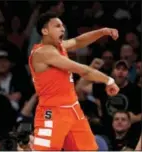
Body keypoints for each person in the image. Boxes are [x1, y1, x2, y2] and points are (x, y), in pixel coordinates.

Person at [29, 12, 119, 150]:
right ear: (44, 30)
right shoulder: (43, 53)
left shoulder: (59, 47)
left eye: (63, 26)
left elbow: (78, 41)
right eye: (57, 26)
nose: (63, 29)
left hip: (73, 109)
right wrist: (108, 80)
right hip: (52, 111)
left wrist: (102, 32)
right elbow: (83, 70)